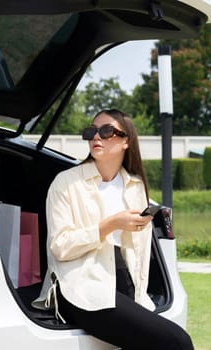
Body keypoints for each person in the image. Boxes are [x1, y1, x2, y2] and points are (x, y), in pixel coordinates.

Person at [32, 109, 193, 350]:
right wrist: (111, 224)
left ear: (126, 140)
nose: (96, 137)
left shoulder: (135, 186)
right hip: (80, 285)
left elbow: (138, 252)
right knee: (178, 341)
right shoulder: (65, 183)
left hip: (125, 282)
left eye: (106, 131)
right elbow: (60, 247)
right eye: (91, 131)